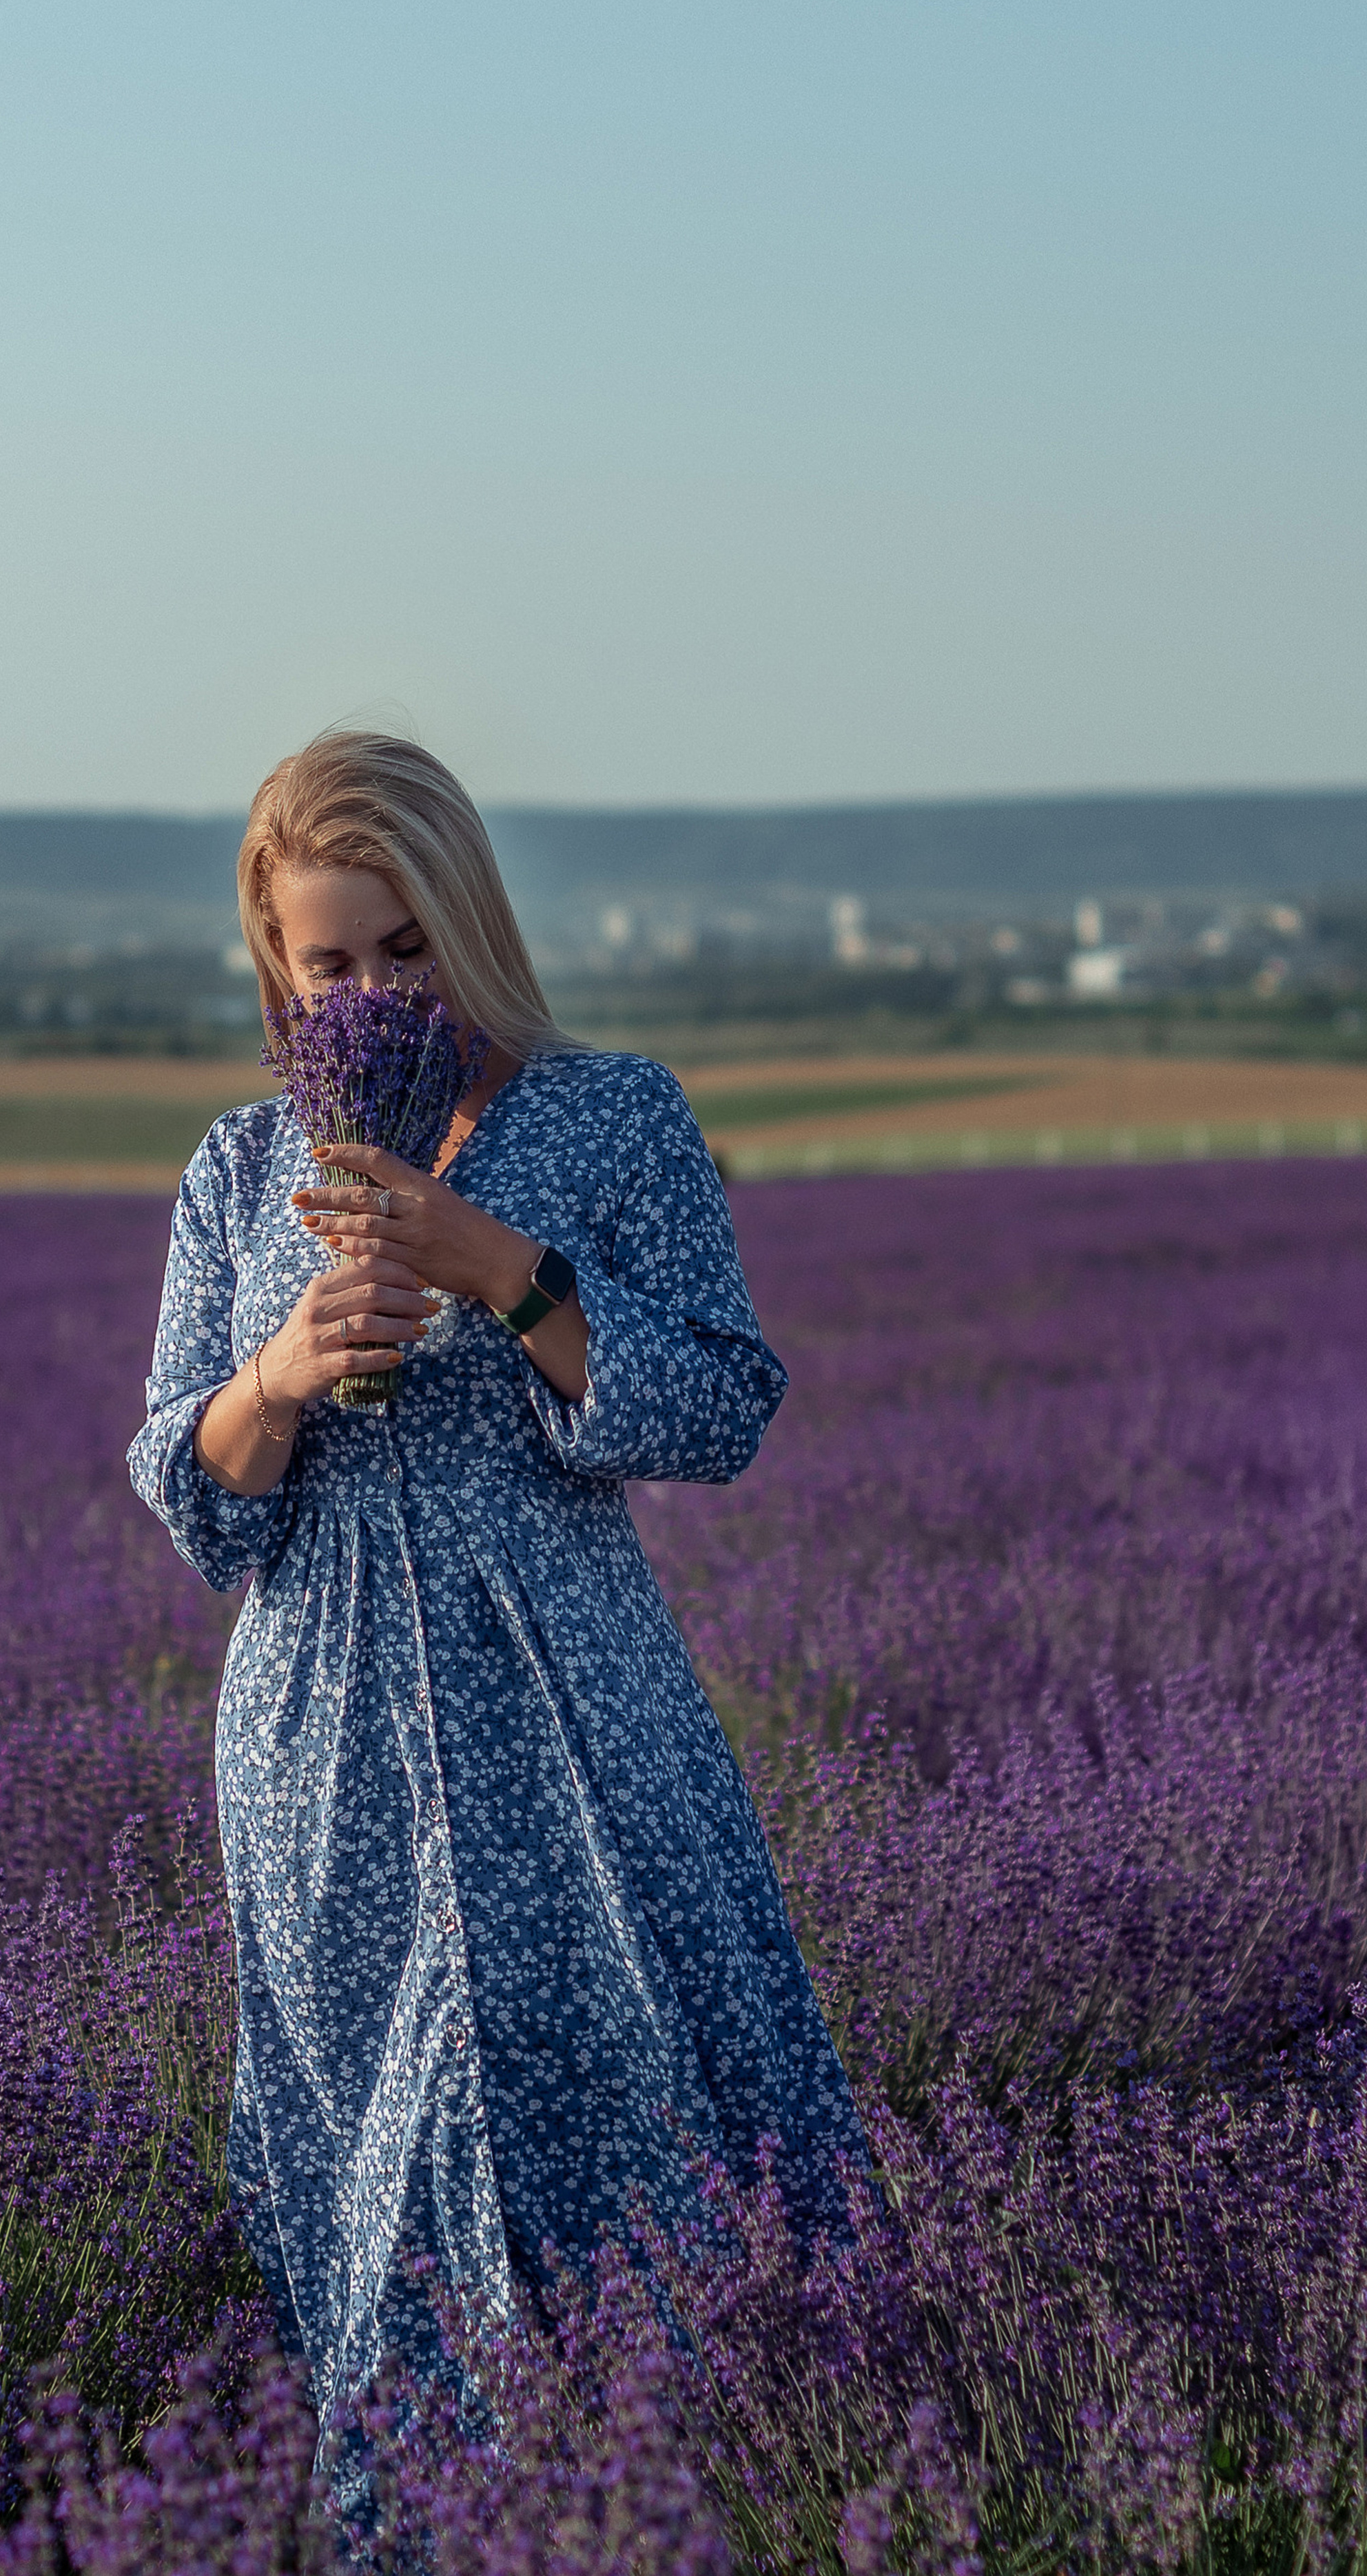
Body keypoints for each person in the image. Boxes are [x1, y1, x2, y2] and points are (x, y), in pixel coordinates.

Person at [128, 730, 867, 2460]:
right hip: (321, 1749)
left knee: (636, 2125)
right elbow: (196, 1503)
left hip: (568, 1708)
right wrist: (277, 1376)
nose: (379, 990)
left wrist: (504, 1268)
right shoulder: (238, 1176)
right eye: (334, 961)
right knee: (372, 2151)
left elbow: (716, 1407)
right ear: (277, 966)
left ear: (468, 923)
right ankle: (430, 2513)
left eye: (409, 949)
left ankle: (714, 2478)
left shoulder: (615, 1117)